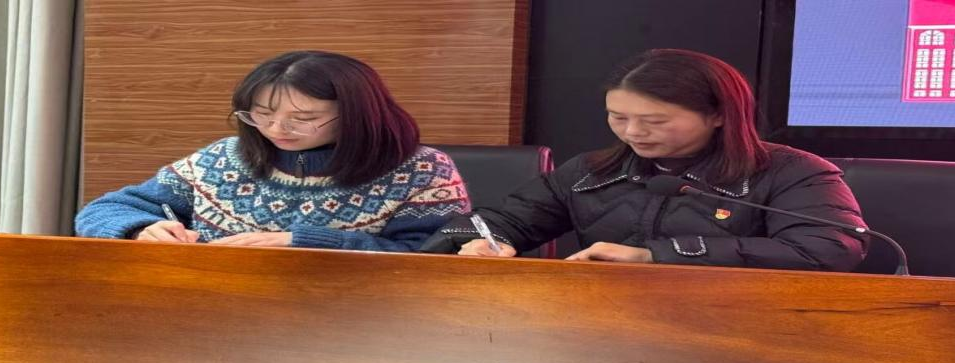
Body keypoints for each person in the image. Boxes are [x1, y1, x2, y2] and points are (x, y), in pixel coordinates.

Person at [421, 49, 867, 271]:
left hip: (740, 331)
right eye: (618, 117)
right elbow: (504, 219)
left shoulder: (793, 172)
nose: (633, 132)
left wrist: (655, 256)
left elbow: (829, 248)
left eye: (655, 121)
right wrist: (484, 241)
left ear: (718, 114)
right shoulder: (592, 171)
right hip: (600, 328)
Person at [75, 50, 469, 251]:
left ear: (356, 114)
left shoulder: (422, 171)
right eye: (261, 114)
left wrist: (304, 243)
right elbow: (102, 210)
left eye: (303, 118)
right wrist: (140, 228)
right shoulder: (220, 159)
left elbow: (435, 256)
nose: (276, 130)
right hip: (209, 313)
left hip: (357, 325)